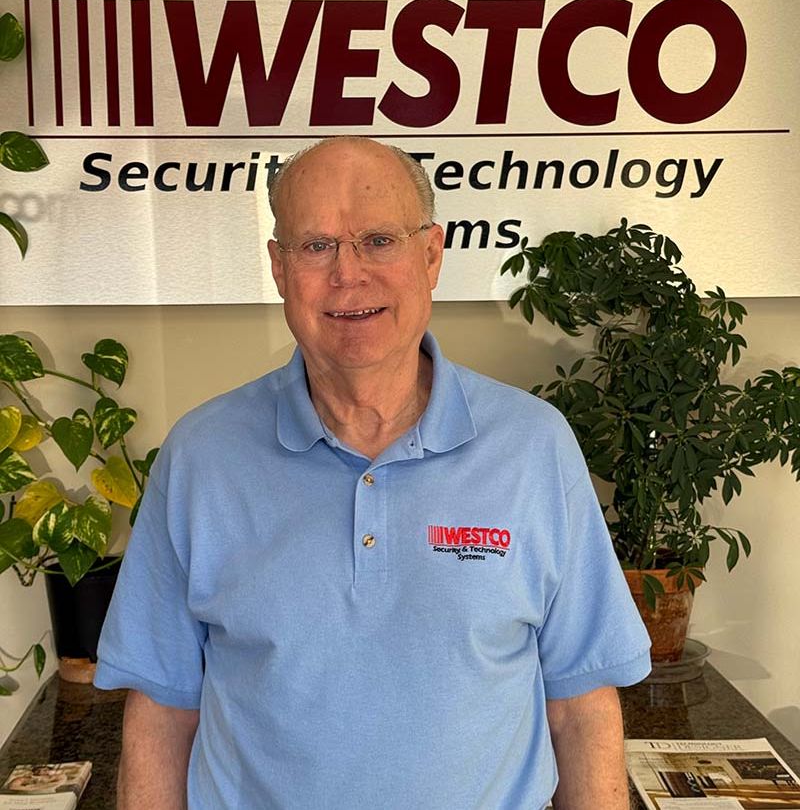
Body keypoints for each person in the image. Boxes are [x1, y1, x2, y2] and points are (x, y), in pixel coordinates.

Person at [94, 136, 651, 809]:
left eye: (379, 240)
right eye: (315, 246)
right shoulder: (201, 457)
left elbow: (580, 704)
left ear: (431, 254)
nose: (347, 275)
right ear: (278, 267)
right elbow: (161, 712)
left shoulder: (535, 449)